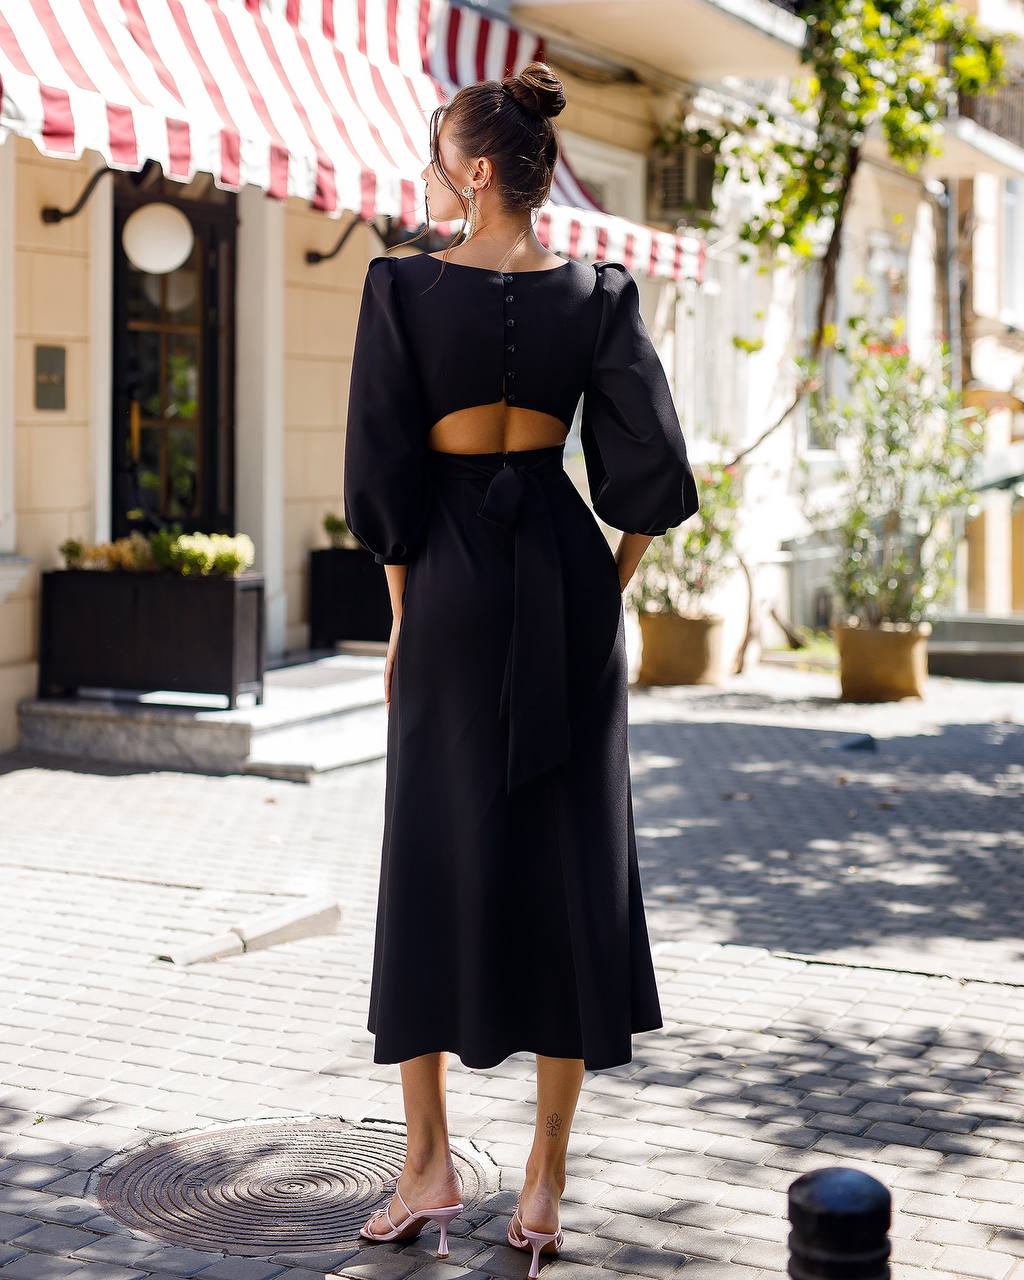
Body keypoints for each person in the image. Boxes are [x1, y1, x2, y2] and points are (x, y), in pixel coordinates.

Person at [343, 60, 699, 1276]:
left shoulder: (396, 288)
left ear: (477, 169)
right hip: (558, 566)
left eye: (441, 145)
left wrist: (404, 616)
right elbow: (650, 469)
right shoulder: (599, 291)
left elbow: (382, 480)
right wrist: (602, 582)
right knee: (568, 864)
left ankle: (426, 1161)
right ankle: (543, 1180)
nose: (432, 161)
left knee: (430, 855)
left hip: (443, 578)